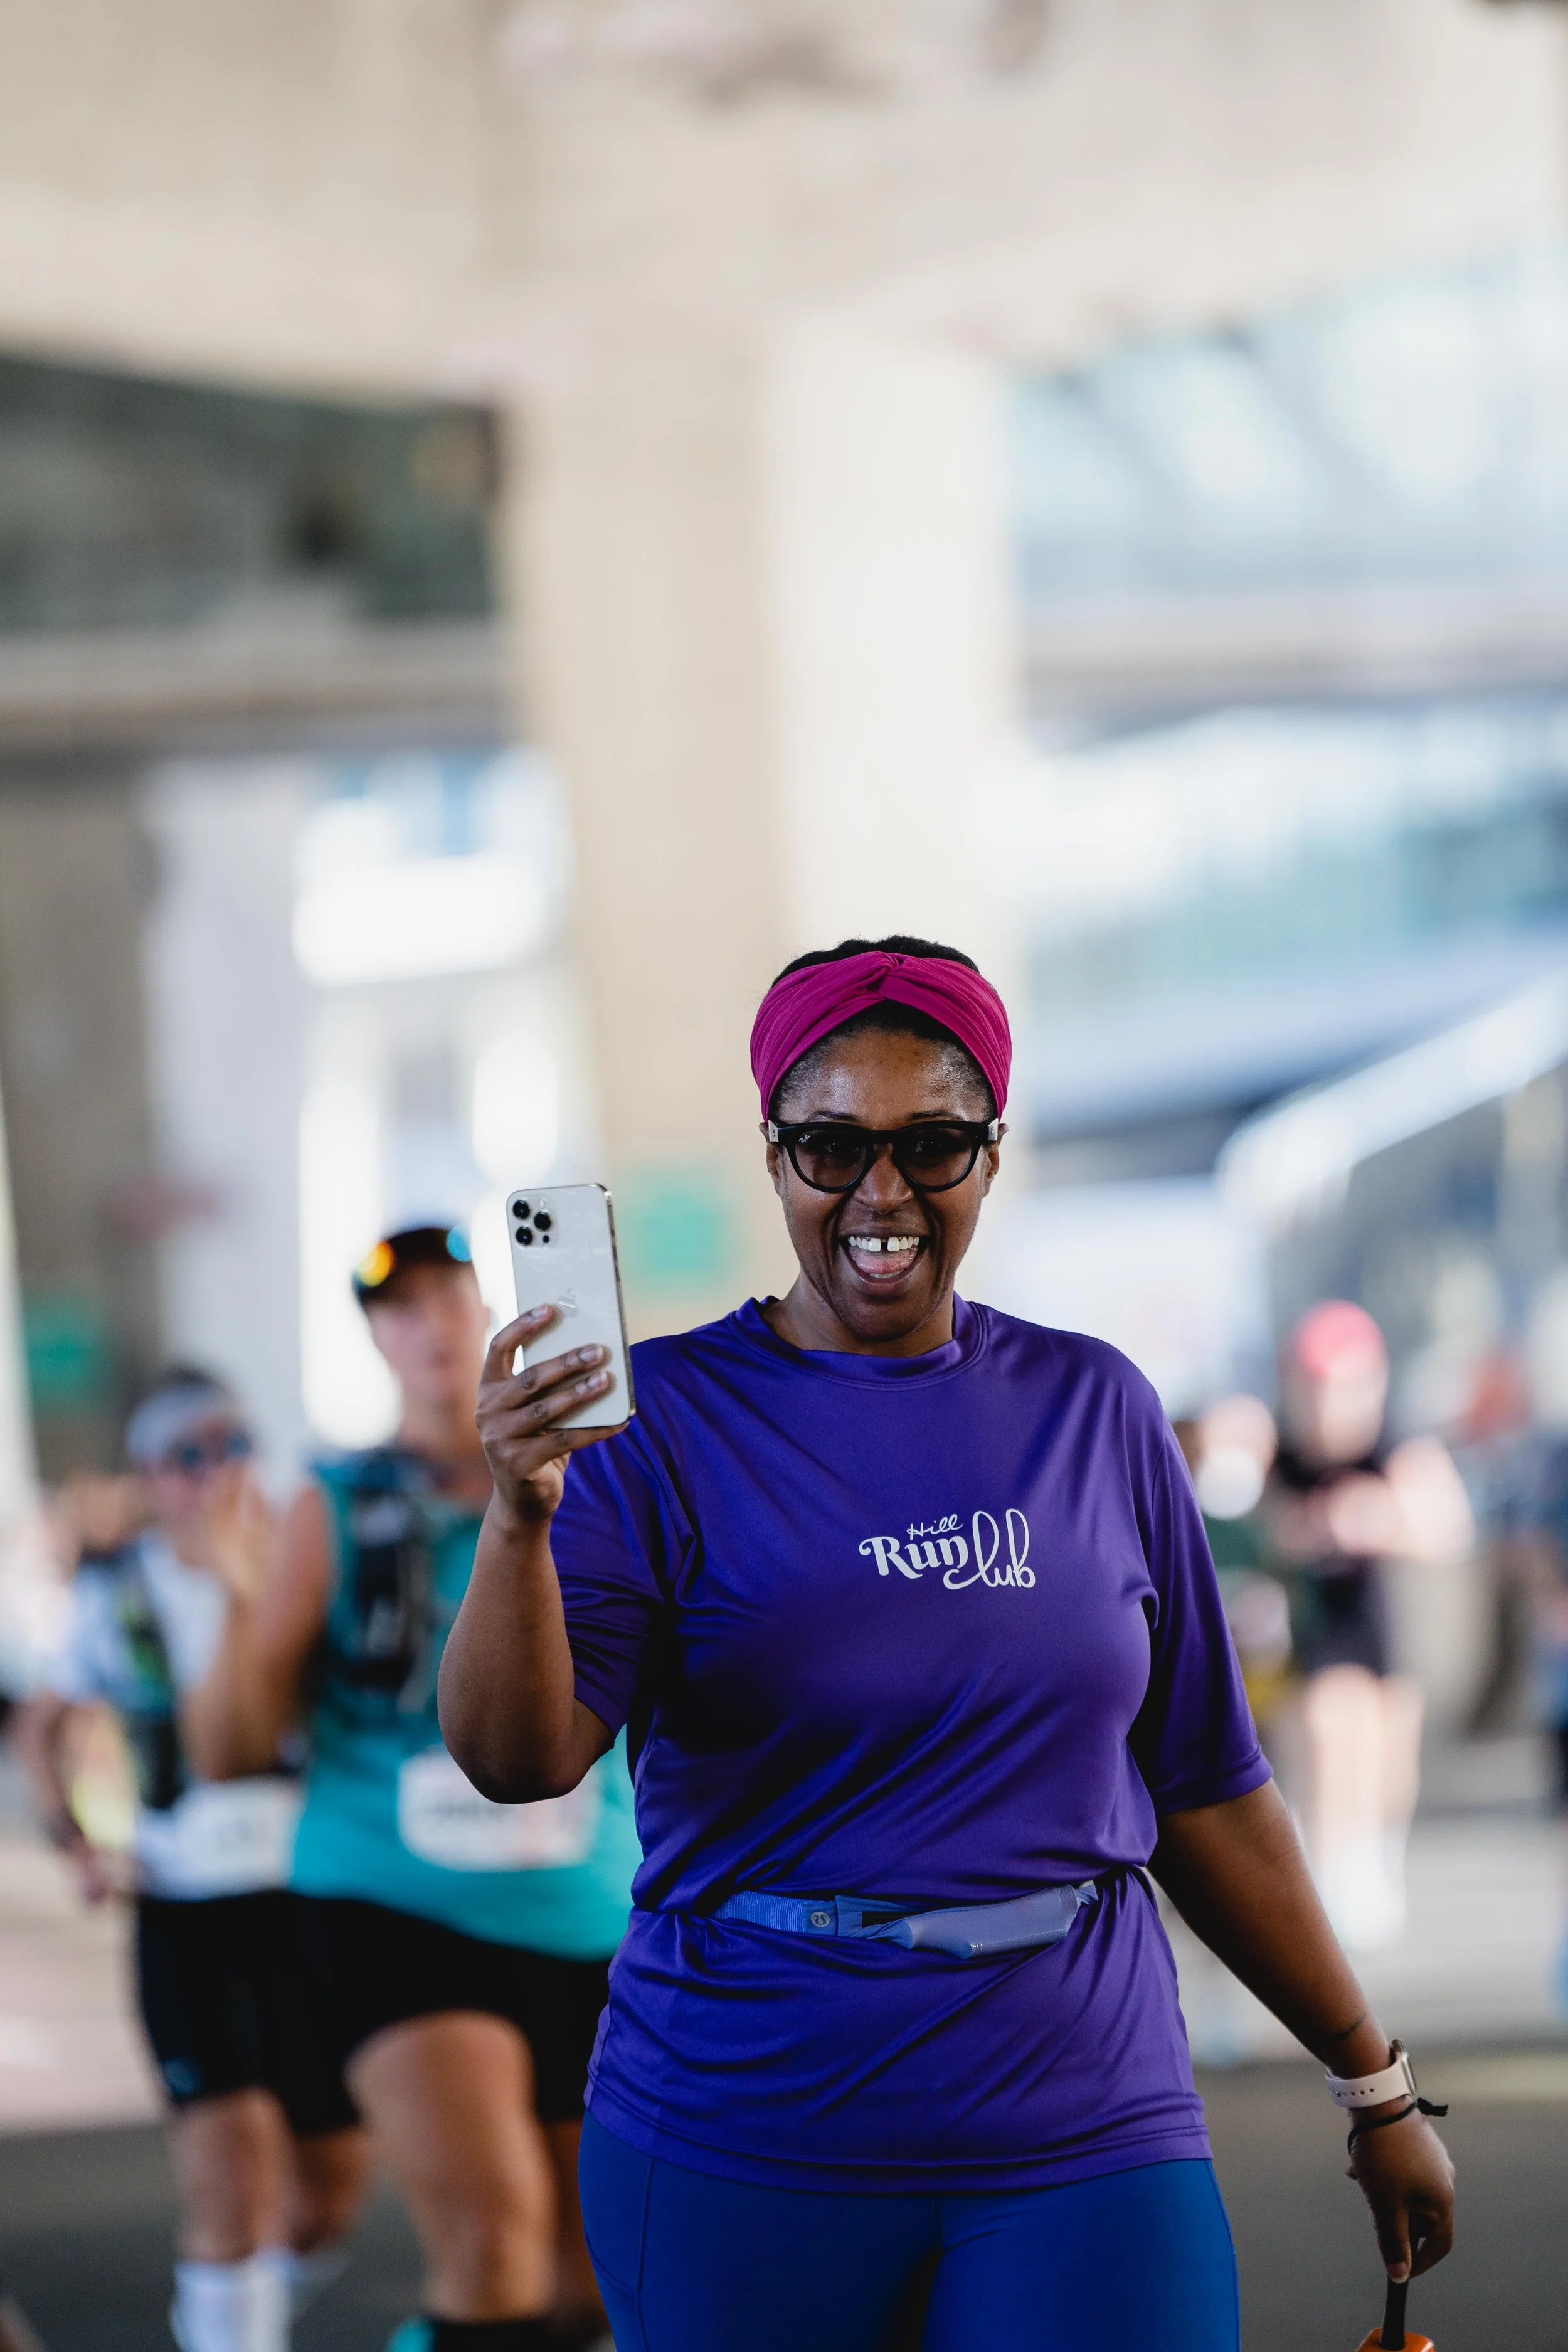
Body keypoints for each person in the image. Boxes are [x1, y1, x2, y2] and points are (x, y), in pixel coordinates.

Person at [440, 935, 1456, 2352]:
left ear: (987, 1150)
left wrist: (1374, 2081)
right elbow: (516, 1756)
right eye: (829, 1144)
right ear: (774, 1153)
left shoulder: (1097, 1408)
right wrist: (516, 1514)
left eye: (931, 1142)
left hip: (1087, 2109)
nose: (880, 1191)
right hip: (747, 2120)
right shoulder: (654, 1421)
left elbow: (1208, 1789)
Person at [188, 1226, 638, 2352]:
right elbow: (234, 1752)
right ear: (378, 1341)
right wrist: (238, 1600)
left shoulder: (605, 1471)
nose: (431, 1324)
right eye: (400, 1311)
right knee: (494, 2240)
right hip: (398, 1908)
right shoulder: (333, 1503)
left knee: (592, 2282)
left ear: (492, 1305)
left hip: (596, 1912)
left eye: (449, 1298)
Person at [18, 1370, 368, 2352]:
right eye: (188, 1456)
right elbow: (47, 1721)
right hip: (186, 1904)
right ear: (148, 1477)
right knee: (231, 2168)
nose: (216, 1473)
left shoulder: (304, 1562)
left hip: (308, 1896)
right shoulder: (116, 1588)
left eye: (233, 1444)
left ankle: (235, 2317)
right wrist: (74, 1840)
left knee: (329, 2193)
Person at [1268, 1303, 1473, 1949]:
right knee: (1329, 1729)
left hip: (1386, 1626)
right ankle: (1329, 1869)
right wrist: (1298, 1532)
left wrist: (1380, 1520)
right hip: (1312, 1635)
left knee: (1388, 1754)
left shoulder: (1396, 1449)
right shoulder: (1286, 1454)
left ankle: (1371, 1855)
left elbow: (1449, 1528)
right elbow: (1254, 1525)